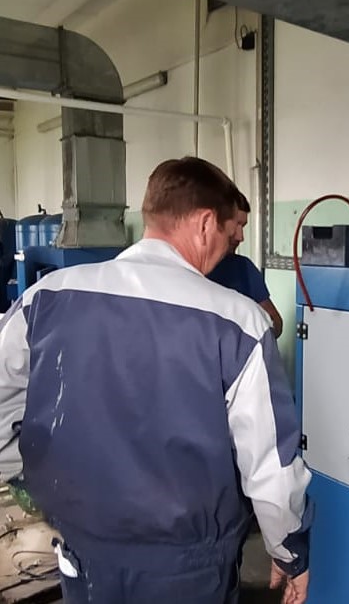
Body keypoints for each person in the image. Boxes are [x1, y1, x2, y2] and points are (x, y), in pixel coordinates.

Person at [0, 157, 312, 604]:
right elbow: (272, 468)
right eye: (231, 230)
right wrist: (288, 552)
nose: (236, 241)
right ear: (205, 224)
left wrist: (38, 475)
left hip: (81, 554)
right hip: (186, 570)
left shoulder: (45, 298)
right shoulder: (239, 323)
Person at [207, 191, 283, 337]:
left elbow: (276, 322)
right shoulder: (185, 271)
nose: (240, 237)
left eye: (243, 226)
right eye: (235, 225)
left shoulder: (244, 268)